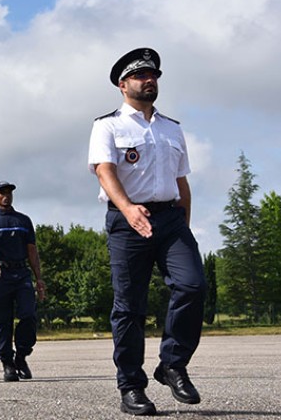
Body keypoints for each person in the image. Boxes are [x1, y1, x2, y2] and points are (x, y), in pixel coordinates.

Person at [88, 47, 207, 416]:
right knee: (129, 307)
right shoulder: (107, 125)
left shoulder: (172, 128)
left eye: (153, 74)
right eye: (141, 75)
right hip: (127, 222)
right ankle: (131, 386)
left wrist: (182, 230)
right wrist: (127, 208)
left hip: (170, 221)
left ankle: (172, 363)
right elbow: (103, 170)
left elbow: (181, 181)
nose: (149, 79)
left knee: (193, 285)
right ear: (124, 85)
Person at [0, 182, 46, 382]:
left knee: (28, 315)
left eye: (9, 193)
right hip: (1, 274)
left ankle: (21, 356)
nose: (6, 196)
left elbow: (32, 251)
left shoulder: (23, 220)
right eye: (2, 193)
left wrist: (39, 278)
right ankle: (7, 363)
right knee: (2, 320)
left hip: (21, 273)